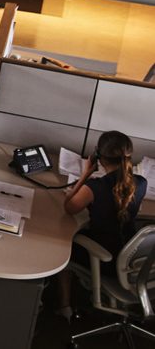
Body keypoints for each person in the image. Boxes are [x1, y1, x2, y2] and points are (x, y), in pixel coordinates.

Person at [54, 130, 147, 318]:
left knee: (64, 246)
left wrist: (85, 174)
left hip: (106, 260)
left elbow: (69, 208)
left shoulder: (95, 187)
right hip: (131, 259)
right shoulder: (141, 183)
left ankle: (64, 307)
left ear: (98, 156)